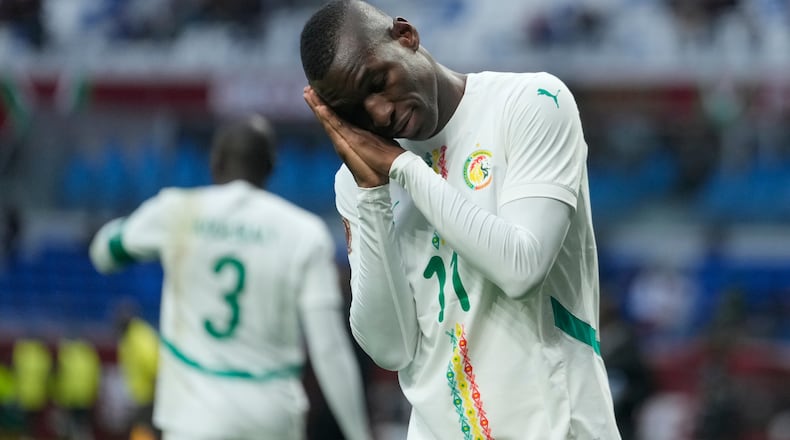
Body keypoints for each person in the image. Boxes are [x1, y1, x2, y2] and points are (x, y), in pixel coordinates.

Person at [299, 1, 622, 438]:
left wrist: (405, 170)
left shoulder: (530, 102)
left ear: (406, 36)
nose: (378, 114)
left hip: (556, 425)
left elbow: (522, 268)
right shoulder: (361, 180)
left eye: (378, 82)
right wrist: (371, 195)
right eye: (356, 110)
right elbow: (390, 348)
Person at [88, 115, 373, 440]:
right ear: (270, 169)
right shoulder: (305, 233)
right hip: (272, 416)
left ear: (215, 163)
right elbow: (329, 349)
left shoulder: (177, 211)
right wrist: (359, 435)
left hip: (193, 419)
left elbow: (104, 253)